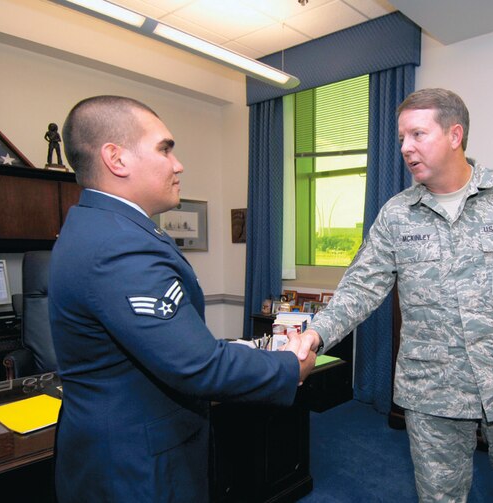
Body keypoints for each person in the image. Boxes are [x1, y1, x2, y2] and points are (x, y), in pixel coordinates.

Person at [296, 88, 493, 502]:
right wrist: (316, 334)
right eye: (401, 139)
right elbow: (360, 286)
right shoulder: (396, 214)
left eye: (417, 134)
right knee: (439, 498)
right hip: (433, 389)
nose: (405, 148)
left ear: (455, 135)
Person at [50, 95, 315, 502]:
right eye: (165, 148)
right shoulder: (118, 245)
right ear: (116, 159)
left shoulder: (103, 225)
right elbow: (198, 366)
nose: (178, 164)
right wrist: (289, 366)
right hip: (135, 464)